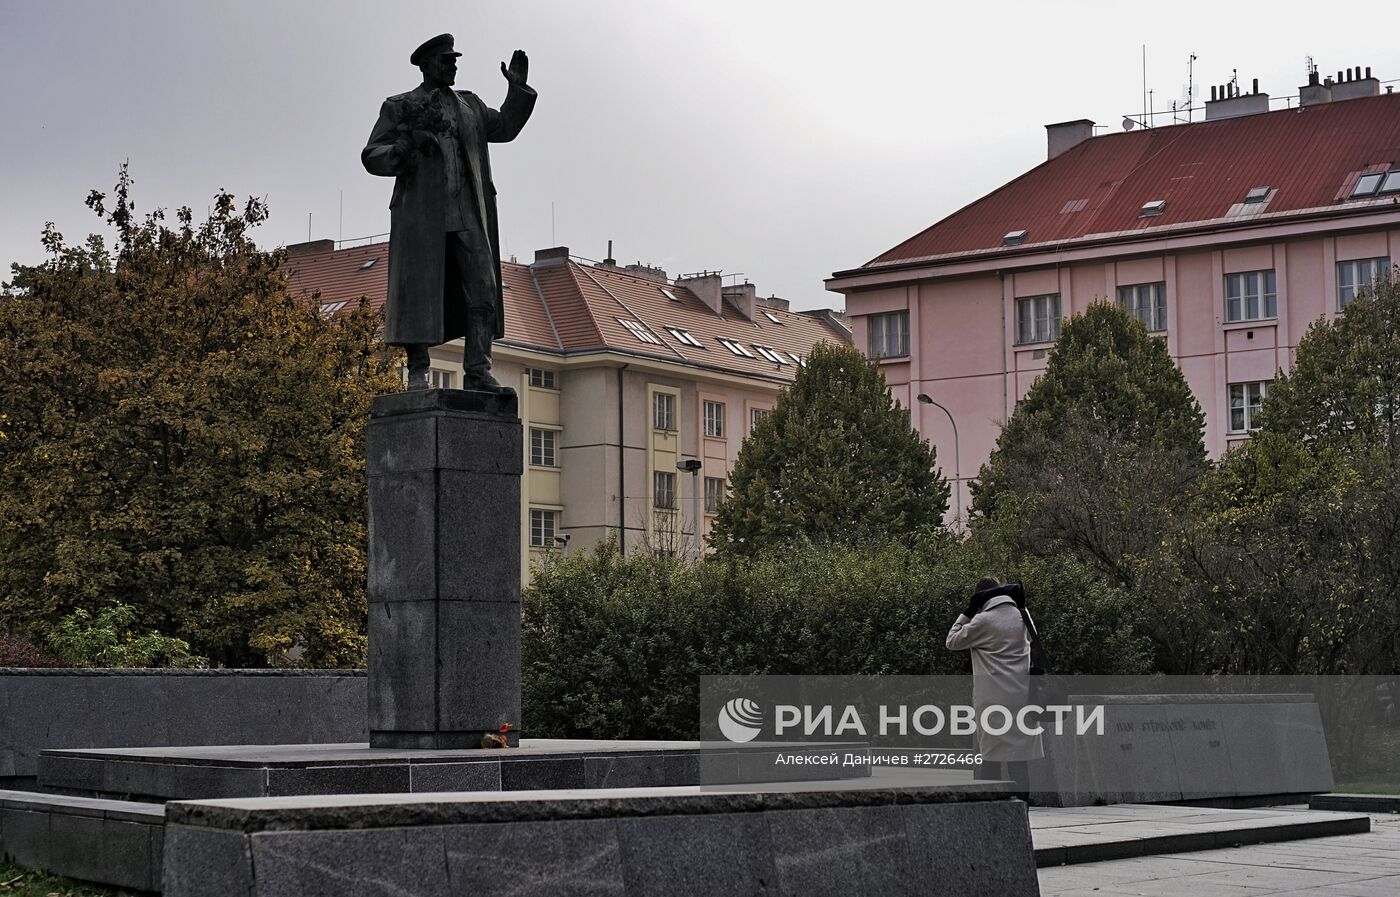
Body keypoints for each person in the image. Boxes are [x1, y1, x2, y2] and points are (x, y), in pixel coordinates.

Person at [362, 34, 537, 393]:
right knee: (419, 294)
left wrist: (517, 91)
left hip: (469, 212)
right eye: (446, 60)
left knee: (484, 288)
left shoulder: (470, 105)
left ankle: (477, 370)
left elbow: (504, 127)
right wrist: (405, 145)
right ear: (427, 65)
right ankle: (417, 371)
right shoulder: (401, 106)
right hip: (422, 216)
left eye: (454, 59)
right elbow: (371, 155)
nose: (453, 64)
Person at [946, 576, 1043, 799]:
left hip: (993, 701)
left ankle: (989, 811)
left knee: (990, 759)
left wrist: (968, 612)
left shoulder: (983, 621)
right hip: (1023, 698)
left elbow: (951, 641)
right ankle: (1021, 811)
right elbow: (1032, 638)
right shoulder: (1023, 616)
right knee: (1019, 761)